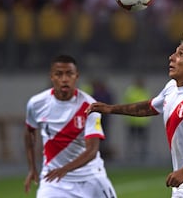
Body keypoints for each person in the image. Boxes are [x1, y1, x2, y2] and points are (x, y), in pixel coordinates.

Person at [86, 34, 183, 197]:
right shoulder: (172, 87)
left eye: (181, 54)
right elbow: (150, 107)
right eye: (175, 52)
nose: (171, 57)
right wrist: (111, 109)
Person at [24, 55, 117, 198]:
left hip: (91, 178)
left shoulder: (90, 106)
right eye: (59, 74)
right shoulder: (36, 103)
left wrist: (65, 169)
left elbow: (92, 150)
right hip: (54, 180)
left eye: (69, 73)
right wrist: (32, 168)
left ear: (76, 76)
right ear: (51, 77)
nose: (64, 79)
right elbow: (29, 132)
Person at [122, 76, 152, 162]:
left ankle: (142, 156)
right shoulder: (131, 91)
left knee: (143, 140)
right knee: (131, 139)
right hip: (133, 120)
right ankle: (130, 156)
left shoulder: (145, 91)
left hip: (143, 121)